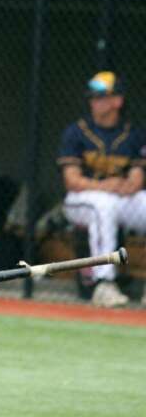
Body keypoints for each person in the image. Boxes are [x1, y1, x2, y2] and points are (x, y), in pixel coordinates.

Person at [57, 71, 146, 307]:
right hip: (81, 200)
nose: (95, 102)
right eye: (93, 97)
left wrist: (126, 186)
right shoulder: (76, 132)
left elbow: (137, 179)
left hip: (119, 197)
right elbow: (72, 180)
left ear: (118, 100)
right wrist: (105, 186)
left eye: (101, 96)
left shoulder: (133, 135)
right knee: (102, 206)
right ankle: (103, 284)